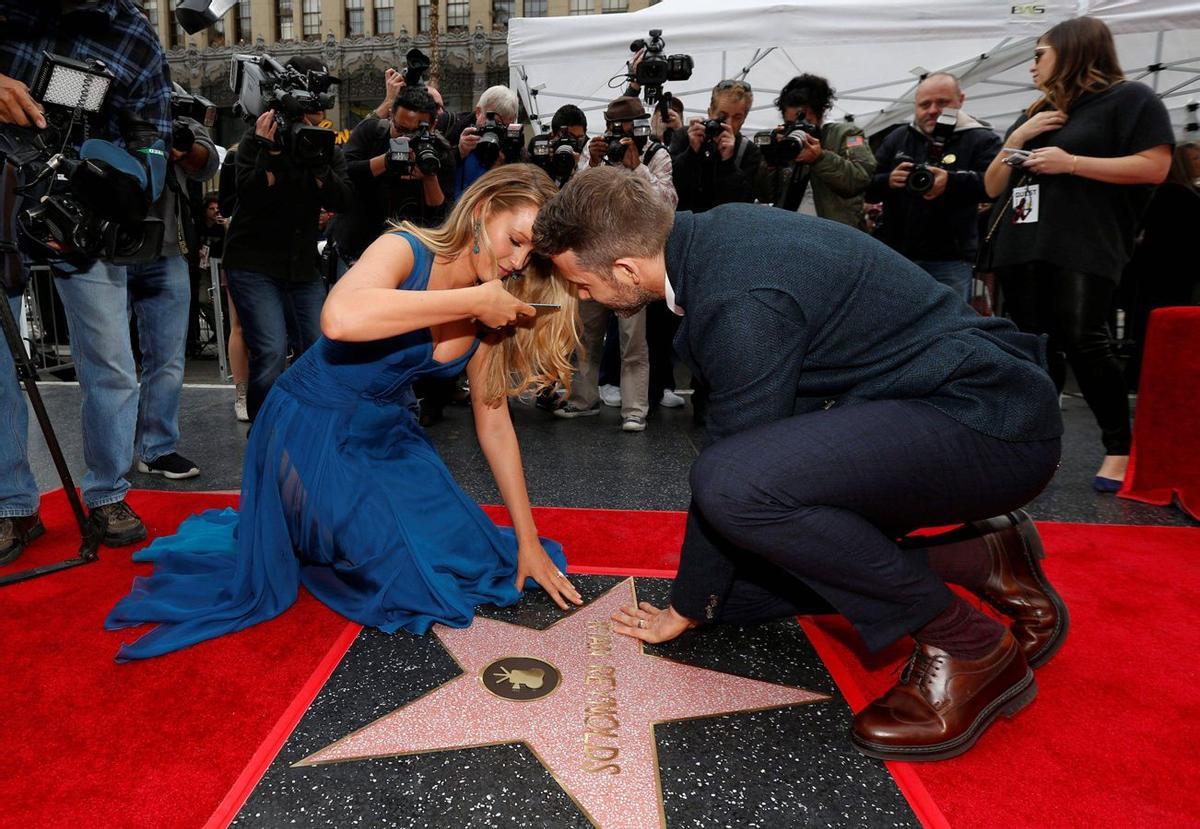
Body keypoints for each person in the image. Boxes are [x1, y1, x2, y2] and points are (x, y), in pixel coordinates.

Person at [534, 166, 1068, 762]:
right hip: (928, 405)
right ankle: (974, 555)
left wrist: (684, 607)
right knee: (733, 600)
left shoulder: (738, 296)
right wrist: (701, 600)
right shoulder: (712, 235)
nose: (584, 297)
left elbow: (736, 472)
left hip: (991, 421)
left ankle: (967, 644)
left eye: (582, 284)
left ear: (626, 269)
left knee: (731, 487)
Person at [105, 166, 584, 660]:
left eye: (532, 255)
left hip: (389, 434)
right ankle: (303, 521)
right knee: (409, 581)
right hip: (310, 427)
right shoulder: (407, 249)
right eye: (516, 240)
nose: (518, 261)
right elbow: (338, 319)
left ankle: (321, 526)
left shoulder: (493, 309)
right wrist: (472, 300)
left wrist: (527, 538)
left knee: (482, 558)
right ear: (484, 210)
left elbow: (495, 424)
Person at [0, 0, 171, 566]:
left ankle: (107, 495)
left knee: (111, 360)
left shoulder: (132, 36)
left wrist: (131, 179)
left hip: (82, 207)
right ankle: (10, 505)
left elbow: (154, 137)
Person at [982, 16, 1174, 491]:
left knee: (1086, 339)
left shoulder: (1130, 99)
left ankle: (1118, 448)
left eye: (1039, 53)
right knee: (1034, 346)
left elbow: (1155, 167)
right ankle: (1039, 447)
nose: (1032, 65)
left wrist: (1070, 163)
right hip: (1023, 242)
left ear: (1071, 51)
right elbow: (991, 186)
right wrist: (1017, 139)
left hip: (1086, 241)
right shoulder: (1038, 110)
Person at [221, 55, 353, 422]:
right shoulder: (255, 141)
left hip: (301, 268)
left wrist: (317, 165)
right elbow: (247, 196)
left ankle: (308, 423)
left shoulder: (324, 147)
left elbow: (342, 199)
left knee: (317, 346)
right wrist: (269, 151)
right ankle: (264, 430)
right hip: (253, 263)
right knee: (271, 350)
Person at [554, 96, 675, 432]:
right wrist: (591, 164)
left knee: (632, 340)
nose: (619, 136)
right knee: (587, 335)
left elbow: (668, 203)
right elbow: (572, 200)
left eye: (627, 127)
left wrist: (638, 167)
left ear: (640, 125)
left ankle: (634, 409)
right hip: (594, 258)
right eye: (613, 127)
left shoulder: (656, 155)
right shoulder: (600, 152)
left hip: (633, 261)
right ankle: (583, 400)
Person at [127, 80, 220, 481]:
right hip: (104, 250)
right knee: (109, 366)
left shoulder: (175, 107)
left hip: (166, 250)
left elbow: (207, 161)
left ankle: (158, 448)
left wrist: (180, 145)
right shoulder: (95, 100)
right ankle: (110, 460)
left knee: (166, 360)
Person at [867, 73, 1002, 303]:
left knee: (946, 327)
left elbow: (994, 187)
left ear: (960, 100)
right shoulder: (898, 137)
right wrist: (888, 180)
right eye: (925, 104)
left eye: (942, 103)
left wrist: (951, 181)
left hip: (950, 259)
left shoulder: (981, 139)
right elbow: (865, 185)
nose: (932, 110)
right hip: (895, 254)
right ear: (915, 107)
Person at [329, 85, 455, 268]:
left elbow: (443, 217)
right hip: (357, 251)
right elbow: (346, 172)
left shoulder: (439, 154)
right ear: (391, 116)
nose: (407, 138)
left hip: (409, 257)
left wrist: (429, 177)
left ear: (433, 125)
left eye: (416, 132)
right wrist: (387, 160)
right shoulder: (371, 132)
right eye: (401, 129)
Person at [1120, 141, 1200, 387]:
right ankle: (1153, 374)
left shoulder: (1166, 193)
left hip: (1160, 269)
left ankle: (1142, 374)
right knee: (1164, 324)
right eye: (1196, 159)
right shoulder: (1177, 194)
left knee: (1153, 323)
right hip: (1172, 270)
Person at [755, 73, 876, 229]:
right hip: (790, 230)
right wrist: (770, 160)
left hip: (835, 234)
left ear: (821, 113)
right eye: (790, 124)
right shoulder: (787, 141)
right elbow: (765, 195)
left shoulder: (848, 135)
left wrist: (819, 158)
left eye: (806, 123)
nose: (798, 130)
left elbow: (860, 178)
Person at [671, 79, 762, 213]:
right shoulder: (685, 136)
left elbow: (743, 203)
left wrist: (728, 163)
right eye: (722, 116)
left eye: (737, 117)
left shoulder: (748, 151)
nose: (729, 123)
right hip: (686, 224)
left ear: (744, 119)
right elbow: (670, 187)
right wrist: (691, 153)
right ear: (710, 112)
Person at [446, 85, 522, 199]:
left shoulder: (511, 142)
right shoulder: (455, 130)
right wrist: (458, 153)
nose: (496, 129)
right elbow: (437, 173)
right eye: (493, 122)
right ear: (478, 112)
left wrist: (507, 164)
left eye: (503, 126)